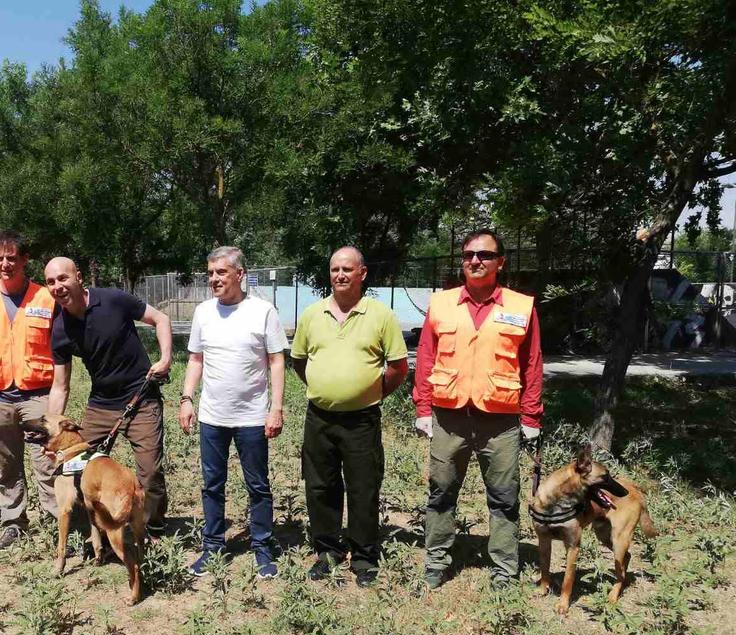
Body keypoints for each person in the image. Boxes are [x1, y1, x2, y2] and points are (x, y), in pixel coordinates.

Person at [413, 228, 544, 590]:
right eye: (469, 254)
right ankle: (436, 561)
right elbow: (425, 357)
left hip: (500, 421)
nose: (475, 260)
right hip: (449, 415)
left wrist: (532, 416)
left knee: (504, 497)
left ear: (500, 262)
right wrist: (423, 407)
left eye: (484, 255)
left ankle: (504, 569)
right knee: (441, 492)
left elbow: (532, 362)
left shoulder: (520, 306)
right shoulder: (441, 304)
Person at [290, 246, 409, 586]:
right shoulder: (312, 315)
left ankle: (364, 557)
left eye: (347, 269)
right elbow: (300, 361)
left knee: (363, 488)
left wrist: (368, 393)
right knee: (319, 486)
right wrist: (327, 387)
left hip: (362, 421)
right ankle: (327, 551)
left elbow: (398, 368)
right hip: (320, 419)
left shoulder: (381, 316)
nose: (340, 275)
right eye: (334, 269)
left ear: (362, 273)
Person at [179, 246, 287, 579]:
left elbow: (276, 361)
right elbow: (195, 359)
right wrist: (186, 398)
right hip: (213, 417)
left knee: (258, 485)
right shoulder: (203, 313)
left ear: (240, 274)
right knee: (212, 484)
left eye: (221, 272)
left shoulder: (263, 311)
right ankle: (212, 548)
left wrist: (276, 408)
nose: (214, 279)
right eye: (210, 273)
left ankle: (262, 548)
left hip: (252, 417)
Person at [45, 257, 173, 537]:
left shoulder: (113, 300)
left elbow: (160, 319)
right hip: (101, 404)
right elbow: (60, 386)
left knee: (149, 473)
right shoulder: (59, 329)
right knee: (76, 464)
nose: (57, 286)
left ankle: (152, 522)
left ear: (78, 277)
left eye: (63, 278)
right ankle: (93, 529)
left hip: (141, 398)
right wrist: (53, 434)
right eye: (51, 282)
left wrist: (164, 359)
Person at [0, 231, 59, 550]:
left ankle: (55, 523)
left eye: (12, 258)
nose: (5, 264)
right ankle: (14, 522)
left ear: (24, 260)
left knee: (46, 461)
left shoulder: (47, 298)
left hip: (38, 395)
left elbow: (59, 348)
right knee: (6, 463)